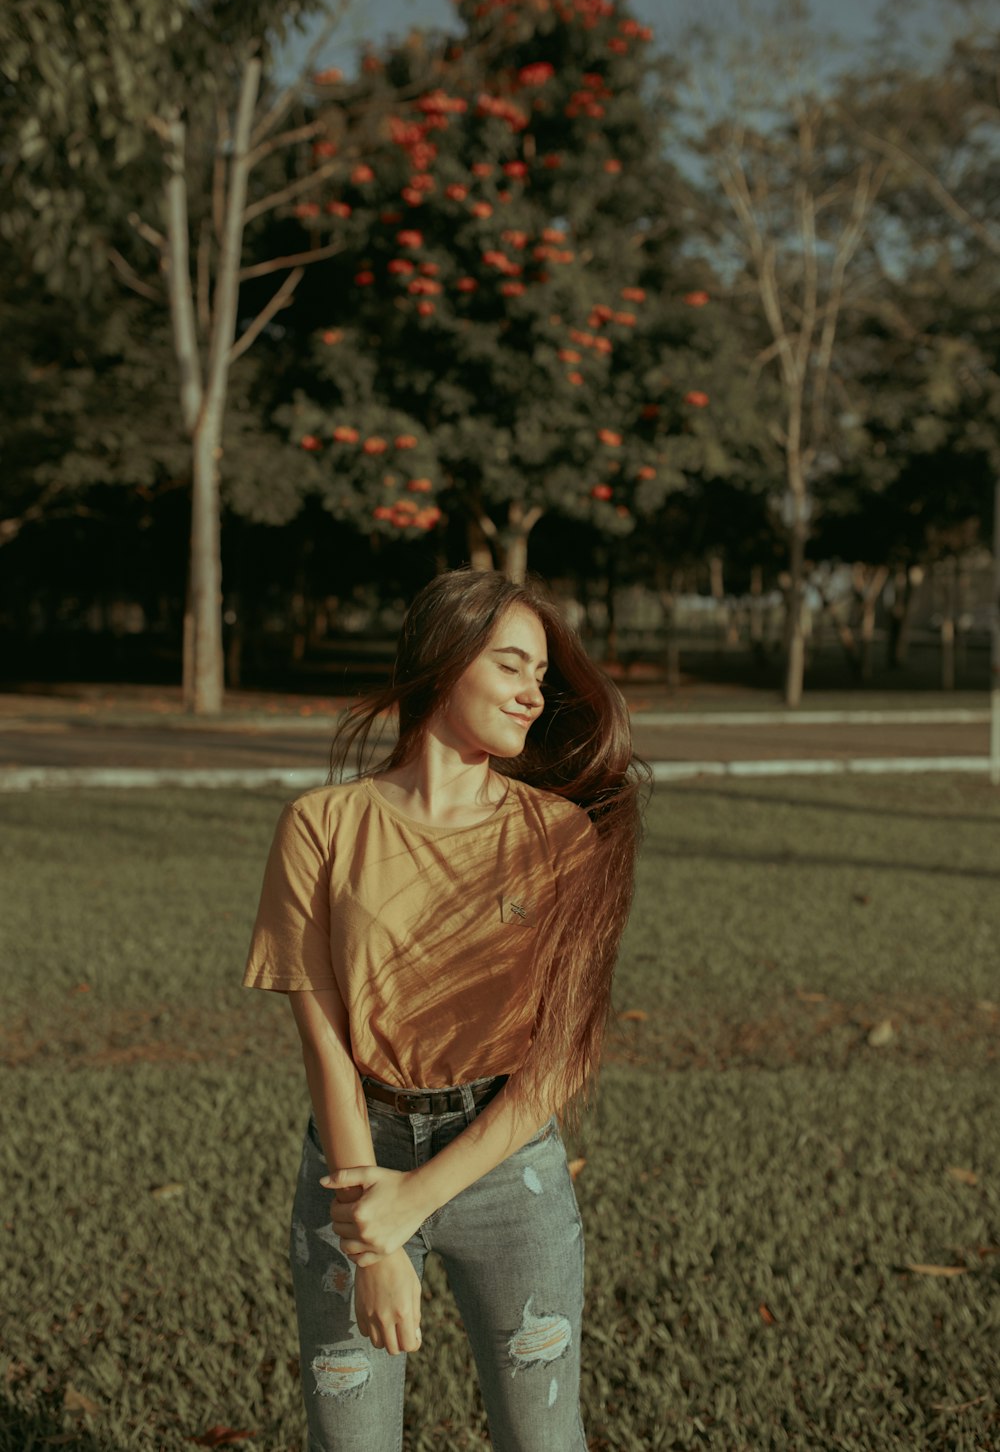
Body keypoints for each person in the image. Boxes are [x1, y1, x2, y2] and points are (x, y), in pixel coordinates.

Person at [243, 568, 646, 1451]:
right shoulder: (321, 825)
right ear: (444, 660)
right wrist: (376, 1238)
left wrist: (413, 1200)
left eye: (541, 675)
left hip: (510, 1172)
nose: (534, 694)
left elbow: (560, 1065)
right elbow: (324, 1044)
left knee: (543, 1442)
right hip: (353, 1166)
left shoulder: (561, 841)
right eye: (511, 666)